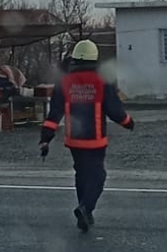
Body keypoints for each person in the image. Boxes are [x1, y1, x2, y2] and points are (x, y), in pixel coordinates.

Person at [39, 39, 134, 232]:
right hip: (95, 140)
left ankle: (85, 211)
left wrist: (45, 137)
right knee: (98, 175)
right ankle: (86, 207)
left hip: (74, 140)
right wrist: (128, 123)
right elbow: (115, 110)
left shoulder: (64, 81)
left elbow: (54, 113)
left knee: (81, 173)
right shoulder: (102, 80)